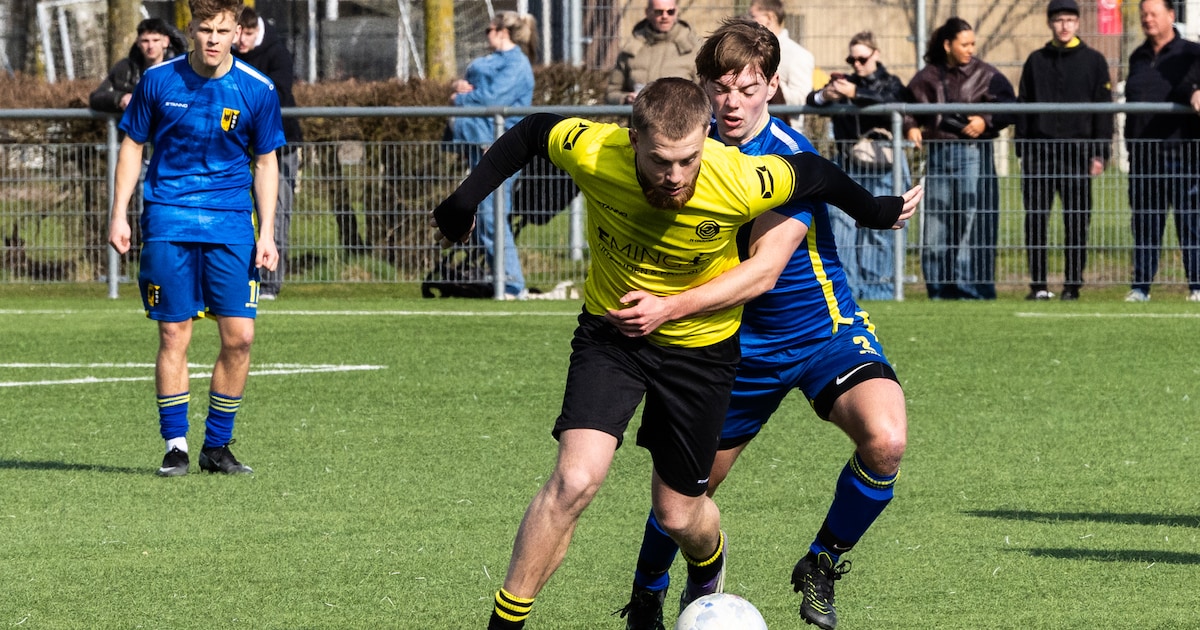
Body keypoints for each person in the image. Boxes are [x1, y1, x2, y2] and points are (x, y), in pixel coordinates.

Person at [430, 78, 920, 629]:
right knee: (574, 481)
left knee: (679, 512)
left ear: (706, 138)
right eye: (661, 161)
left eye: (687, 160)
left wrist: (875, 210)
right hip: (613, 337)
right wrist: (463, 199)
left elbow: (817, 174)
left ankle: (709, 560)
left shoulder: (738, 177)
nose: (674, 176)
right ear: (632, 137)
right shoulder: (597, 150)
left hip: (702, 351)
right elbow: (534, 131)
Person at [613, 20, 912, 630]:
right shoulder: (682, 151)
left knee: (886, 440)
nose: (731, 103)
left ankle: (822, 563)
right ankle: (648, 593)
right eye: (720, 88)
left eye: (747, 89)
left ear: (772, 87)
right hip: (731, 349)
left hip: (820, 333)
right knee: (682, 503)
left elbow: (763, 273)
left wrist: (666, 307)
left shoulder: (787, 160)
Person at [107, 0, 286, 476]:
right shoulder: (158, 81)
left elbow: (266, 162)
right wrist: (119, 213)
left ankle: (217, 447)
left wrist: (267, 231)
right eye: (204, 29)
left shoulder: (257, 90)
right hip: (168, 220)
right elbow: (132, 147)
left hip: (230, 225)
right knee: (173, 332)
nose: (212, 39)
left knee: (241, 337)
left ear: (236, 33)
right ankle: (176, 446)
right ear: (190, 30)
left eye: (222, 31)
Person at [905, 17, 1016, 300]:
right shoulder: (927, 76)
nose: (970, 49)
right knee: (936, 226)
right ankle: (939, 291)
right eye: (964, 44)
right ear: (947, 45)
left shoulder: (987, 74)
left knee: (971, 223)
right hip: (939, 154)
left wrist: (985, 120)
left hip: (973, 154)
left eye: (973, 44)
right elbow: (906, 102)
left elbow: (1011, 106)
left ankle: (971, 289)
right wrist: (911, 125)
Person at [1016, 0, 1113, 302]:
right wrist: (1023, 149)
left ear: (1078, 23)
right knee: (1035, 220)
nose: (1064, 25)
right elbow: (1023, 106)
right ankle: (1039, 284)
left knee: (1077, 220)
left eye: (1070, 19)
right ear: (1050, 23)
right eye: (1059, 19)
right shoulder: (1036, 60)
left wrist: (1100, 153)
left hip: (1078, 154)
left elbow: (1103, 112)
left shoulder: (1094, 61)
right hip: (1039, 154)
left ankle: (1072, 285)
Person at [808, 31, 911, 301]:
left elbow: (897, 102)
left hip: (885, 166)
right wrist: (826, 95)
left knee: (881, 230)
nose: (857, 64)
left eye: (862, 58)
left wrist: (857, 93)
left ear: (876, 54)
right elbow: (811, 100)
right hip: (850, 164)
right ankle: (848, 292)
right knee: (842, 226)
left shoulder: (890, 82)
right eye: (851, 59)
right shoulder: (845, 84)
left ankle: (880, 291)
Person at [447, 11, 536, 299]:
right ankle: (505, 282)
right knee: (486, 217)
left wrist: (460, 97)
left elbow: (492, 99)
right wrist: (459, 86)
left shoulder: (517, 64)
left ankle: (511, 285)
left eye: (489, 29)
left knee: (492, 215)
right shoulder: (492, 62)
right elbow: (478, 88)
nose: (486, 35)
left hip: (502, 151)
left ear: (502, 31)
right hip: (480, 147)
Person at [1123, 0, 1200, 303]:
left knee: (1191, 222)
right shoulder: (1137, 57)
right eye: (1143, 14)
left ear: (1171, 15)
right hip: (1144, 156)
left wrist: (1195, 89)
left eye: (1153, 13)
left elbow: (1190, 86)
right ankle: (1140, 287)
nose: (1147, 18)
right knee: (1145, 223)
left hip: (1183, 153)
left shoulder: (1191, 53)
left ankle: (1197, 286)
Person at [234, 6, 302, 301]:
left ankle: (270, 283)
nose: (242, 41)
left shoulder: (277, 51)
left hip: (278, 144)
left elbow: (280, 90)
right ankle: (232, 277)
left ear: (257, 31)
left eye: (248, 34)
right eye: (238, 34)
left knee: (274, 213)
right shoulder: (226, 52)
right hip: (237, 144)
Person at [605, 0, 702, 105]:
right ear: (648, 12)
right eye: (659, 12)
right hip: (641, 119)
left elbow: (707, 93)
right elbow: (611, 93)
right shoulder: (631, 49)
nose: (665, 16)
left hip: (682, 118)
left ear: (676, 12)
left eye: (670, 11)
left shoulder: (694, 48)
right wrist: (626, 98)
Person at [89, 17, 188, 113]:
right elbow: (96, 98)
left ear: (165, 42)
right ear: (138, 42)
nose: (150, 46)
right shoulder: (125, 68)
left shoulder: (181, 68)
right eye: (145, 41)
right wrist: (120, 98)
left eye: (155, 40)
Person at [748, 0, 816, 131]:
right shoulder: (750, 50)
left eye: (753, 16)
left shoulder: (798, 55)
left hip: (784, 133)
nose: (749, 21)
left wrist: (771, 85)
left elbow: (802, 99)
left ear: (769, 18)